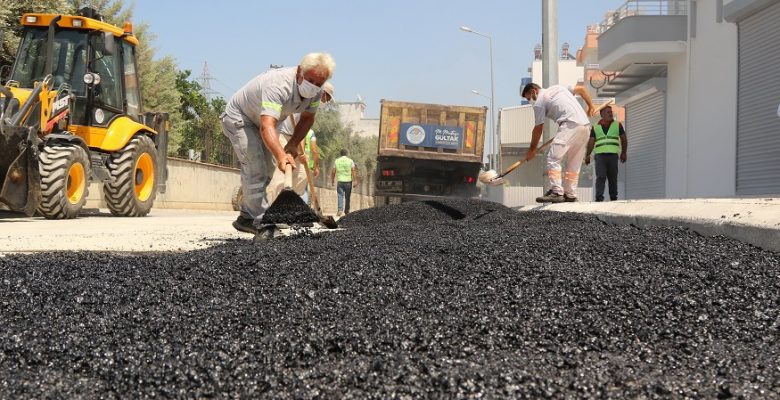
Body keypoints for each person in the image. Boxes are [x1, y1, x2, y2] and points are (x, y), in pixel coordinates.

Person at [221, 52, 335, 237]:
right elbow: (266, 126)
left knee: (268, 169)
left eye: (319, 83)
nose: (314, 86)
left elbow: (307, 119)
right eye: (311, 80)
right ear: (299, 72)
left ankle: (245, 217)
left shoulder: (315, 93)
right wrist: (282, 155)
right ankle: (260, 223)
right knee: (255, 166)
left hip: (269, 122)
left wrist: (292, 144)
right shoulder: (279, 84)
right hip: (241, 118)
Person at [521, 83, 596, 203]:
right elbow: (581, 89)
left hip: (569, 124)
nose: (530, 101)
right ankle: (570, 194)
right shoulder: (559, 88)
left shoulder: (539, 101)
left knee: (553, 158)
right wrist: (591, 106)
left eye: (529, 97)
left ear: (534, 91)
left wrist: (531, 150)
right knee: (574, 163)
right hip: (585, 126)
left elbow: (538, 128)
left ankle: (556, 191)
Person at [265, 82, 332, 204]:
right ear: (322, 93)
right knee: (282, 171)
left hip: (296, 138)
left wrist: (301, 151)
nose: (326, 102)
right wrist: (299, 149)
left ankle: (290, 205)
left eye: (328, 100)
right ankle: (271, 205)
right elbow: (299, 125)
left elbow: (303, 129)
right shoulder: (306, 100)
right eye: (326, 98)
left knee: (302, 175)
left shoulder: (314, 107)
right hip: (283, 135)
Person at [584, 105, 627, 202]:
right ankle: (599, 198)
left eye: (611, 112)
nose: (611, 113)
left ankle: (613, 198)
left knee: (613, 178)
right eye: (608, 112)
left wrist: (624, 152)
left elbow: (624, 139)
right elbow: (591, 142)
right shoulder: (595, 127)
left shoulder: (617, 125)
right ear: (602, 114)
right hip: (600, 156)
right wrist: (587, 155)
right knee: (601, 176)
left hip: (613, 155)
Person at [330, 149, 357, 216]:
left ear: (340, 154)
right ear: (346, 154)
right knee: (347, 197)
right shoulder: (350, 161)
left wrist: (332, 180)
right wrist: (355, 180)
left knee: (340, 196)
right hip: (348, 182)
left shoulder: (337, 161)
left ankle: (340, 210)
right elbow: (353, 170)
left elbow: (333, 171)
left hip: (340, 182)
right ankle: (347, 210)